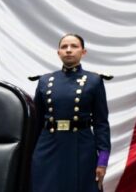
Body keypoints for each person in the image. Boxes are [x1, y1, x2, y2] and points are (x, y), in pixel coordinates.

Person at [31, 34, 111, 191]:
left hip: (81, 147)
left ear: (83, 52)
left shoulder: (94, 80)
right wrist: (30, 155)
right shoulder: (45, 81)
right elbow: (36, 123)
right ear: (58, 52)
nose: (68, 50)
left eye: (74, 46)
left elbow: (101, 123)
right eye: (64, 47)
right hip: (48, 146)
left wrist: (103, 160)